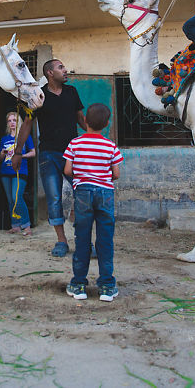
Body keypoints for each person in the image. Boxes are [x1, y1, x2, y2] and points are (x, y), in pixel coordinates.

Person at [11, 59, 86, 257]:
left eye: (64, 66)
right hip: (48, 154)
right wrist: (18, 152)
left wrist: (97, 138)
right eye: (61, 67)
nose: (65, 69)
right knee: (54, 198)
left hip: (73, 153)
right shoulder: (39, 95)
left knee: (82, 195)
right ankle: (61, 241)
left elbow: (81, 119)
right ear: (50, 73)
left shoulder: (71, 92)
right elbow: (27, 124)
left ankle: (83, 240)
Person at [62, 103, 123, 302]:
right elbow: (116, 174)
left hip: (82, 193)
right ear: (106, 124)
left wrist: (84, 174)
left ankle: (79, 284)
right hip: (105, 193)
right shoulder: (110, 145)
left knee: (82, 238)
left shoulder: (75, 144)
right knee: (105, 239)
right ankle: (106, 286)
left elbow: (68, 171)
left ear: (85, 121)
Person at [0, 111, 35, 235]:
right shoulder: (4, 139)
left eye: (14, 120)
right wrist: (3, 153)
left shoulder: (24, 136)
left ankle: (26, 225)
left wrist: (21, 155)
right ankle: (15, 225)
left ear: (18, 122)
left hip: (20, 170)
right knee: (10, 200)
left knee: (17, 197)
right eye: (9, 121)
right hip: (5, 171)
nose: (12, 123)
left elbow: (33, 152)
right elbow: (0, 158)